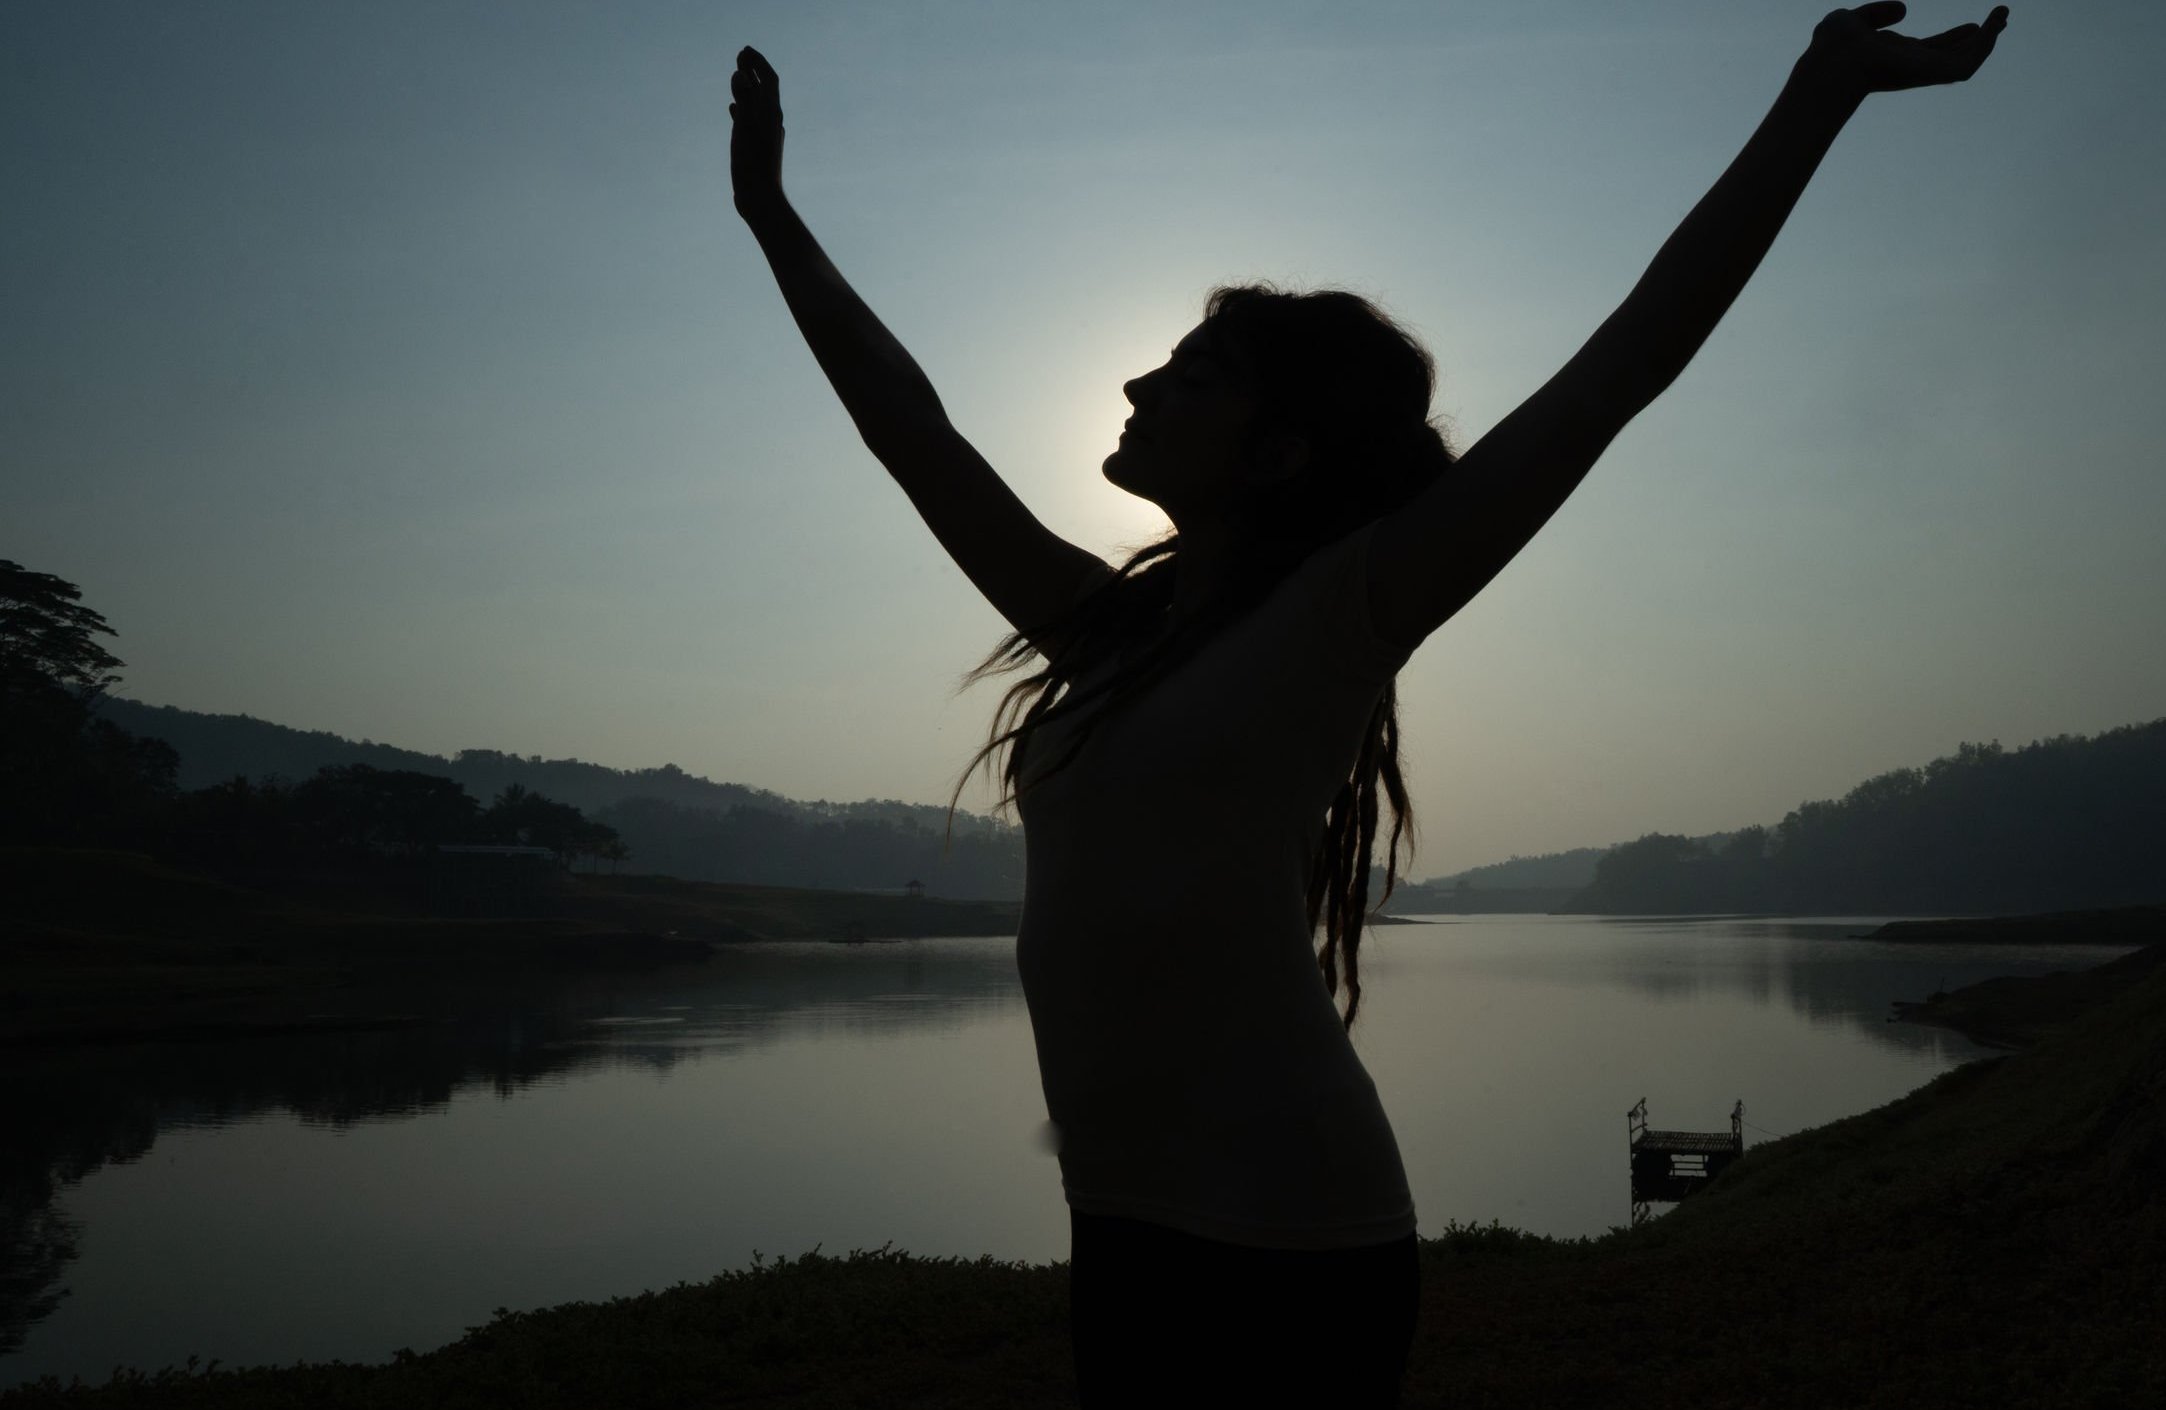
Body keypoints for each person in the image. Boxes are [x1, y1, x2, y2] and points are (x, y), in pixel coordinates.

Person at [727, 5, 2007, 1403]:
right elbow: (915, 436)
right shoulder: (1109, 631)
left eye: (1193, 374)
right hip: (1119, 1217)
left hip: (1292, 1235)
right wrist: (775, 223)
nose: (1140, 378)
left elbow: (1626, 363)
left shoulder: (1340, 617)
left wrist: (1820, 96)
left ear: (1278, 452)